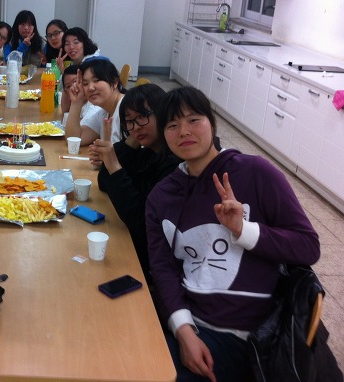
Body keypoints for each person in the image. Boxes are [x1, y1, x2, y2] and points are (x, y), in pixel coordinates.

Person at [146, 86, 320, 382]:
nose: (183, 131)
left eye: (193, 120)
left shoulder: (256, 172)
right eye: (172, 125)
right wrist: (183, 330)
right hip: (185, 321)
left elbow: (308, 246)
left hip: (241, 337)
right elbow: (163, 268)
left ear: (212, 124)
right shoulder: (162, 196)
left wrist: (244, 230)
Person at [90, 84, 182, 285]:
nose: (136, 126)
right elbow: (104, 183)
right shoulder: (148, 152)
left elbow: (140, 221)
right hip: (133, 244)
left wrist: (115, 165)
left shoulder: (175, 164)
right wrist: (130, 143)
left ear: (163, 113)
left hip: (155, 264)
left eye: (142, 116)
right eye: (129, 121)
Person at [64, 57, 125, 145]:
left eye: (96, 80)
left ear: (115, 82)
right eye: (85, 84)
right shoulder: (103, 113)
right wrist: (76, 102)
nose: (90, 88)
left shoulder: (128, 109)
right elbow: (74, 139)